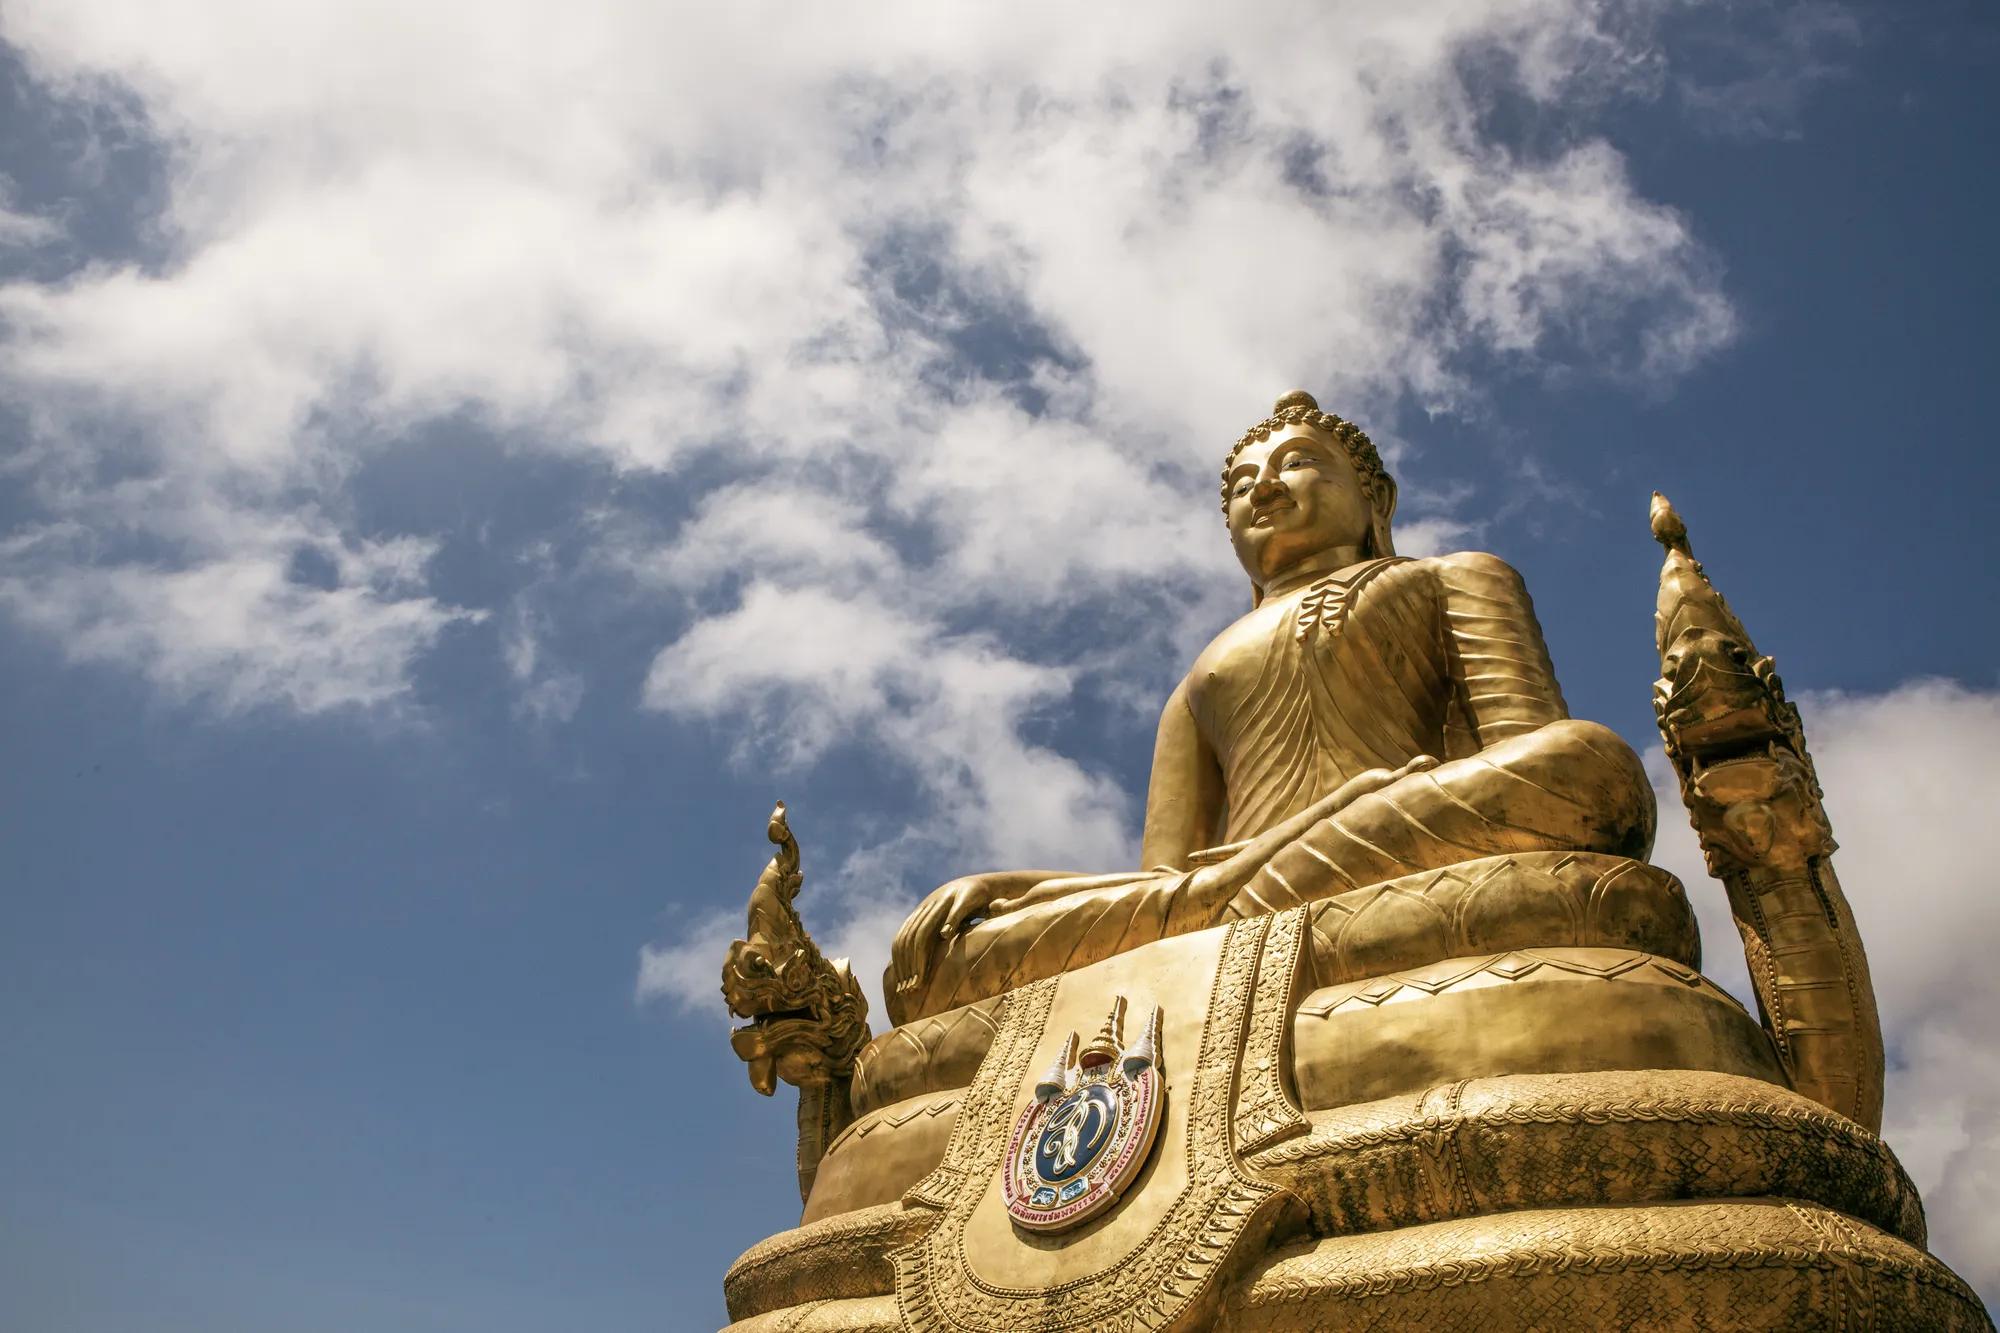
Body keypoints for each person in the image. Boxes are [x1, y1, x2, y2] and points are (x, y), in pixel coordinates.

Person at [884, 391, 1653, 1026]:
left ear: (1376, 499)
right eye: (1244, 483)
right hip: (1228, 892)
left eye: (1300, 462)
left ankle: (1235, 916)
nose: (1266, 487)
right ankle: (1235, 913)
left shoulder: (1450, 577)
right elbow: (1161, 886)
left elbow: (1540, 766)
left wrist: (1352, 817)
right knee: (936, 964)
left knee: (1588, 765)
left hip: (1386, 843)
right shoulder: (1197, 682)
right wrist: (1017, 890)